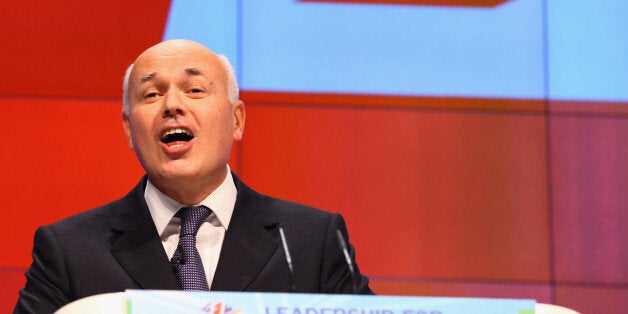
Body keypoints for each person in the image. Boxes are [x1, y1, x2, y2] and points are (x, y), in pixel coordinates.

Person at [14, 39, 372, 314]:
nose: (172, 105)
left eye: (195, 90)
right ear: (128, 130)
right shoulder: (69, 250)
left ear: (236, 120)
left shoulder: (311, 240)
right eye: (151, 94)